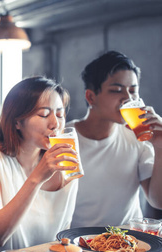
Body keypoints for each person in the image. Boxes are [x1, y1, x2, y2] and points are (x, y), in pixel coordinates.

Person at [0, 76, 78, 252]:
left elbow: (62, 236)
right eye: (44, 114)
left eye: (60, 114)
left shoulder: (64, 166)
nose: (55, 123)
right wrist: (37, 177)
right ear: (17, 122)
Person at [68, 51, 162, 228]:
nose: (128, 98)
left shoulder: (137, 137)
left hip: (127, 244)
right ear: (91, 97)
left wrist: (160, 147)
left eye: (133, 90)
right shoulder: (65, 138)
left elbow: (158, 202)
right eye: (116, 90)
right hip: (77, 243)